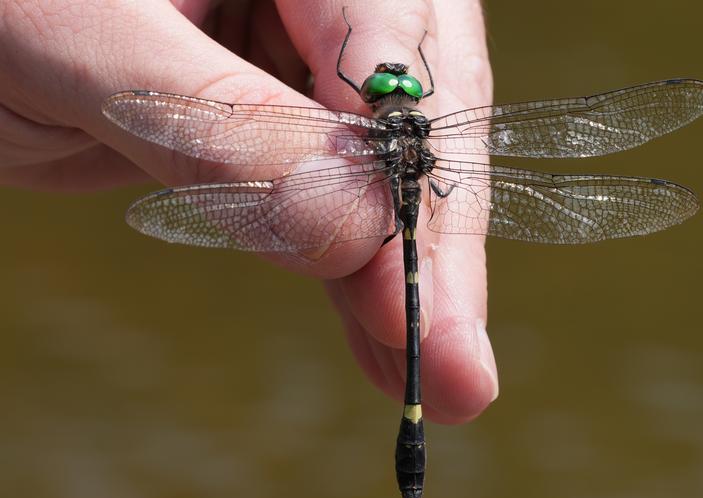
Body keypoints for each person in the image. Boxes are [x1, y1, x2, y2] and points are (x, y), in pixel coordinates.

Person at [0, 0, 497, 424]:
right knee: (406, 287)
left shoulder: (364, 126)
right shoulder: (425, 128)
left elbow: (348, 75)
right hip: (414, 197)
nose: (395, 84)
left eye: (397, 87)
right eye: (392, 85)